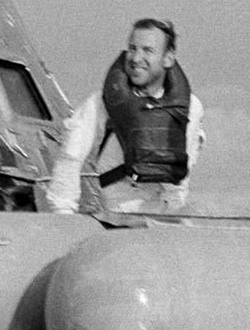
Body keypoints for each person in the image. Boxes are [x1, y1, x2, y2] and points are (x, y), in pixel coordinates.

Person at [45, 18, 205, 215]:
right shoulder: (103, 103)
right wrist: (63, 212)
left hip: (165, 216)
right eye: (132, 48)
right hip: (118, 213)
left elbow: (182, 173)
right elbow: (71, 156)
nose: (136, 58)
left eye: (148, 50)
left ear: (168, 58)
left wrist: (173, 217)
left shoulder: (191, 107)